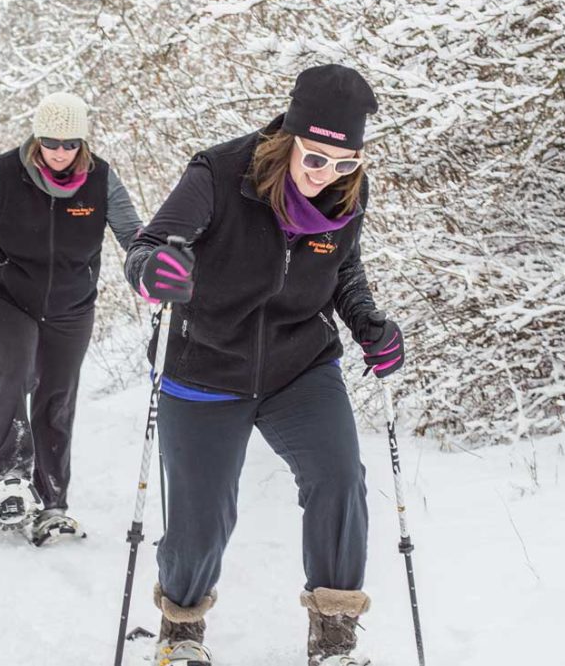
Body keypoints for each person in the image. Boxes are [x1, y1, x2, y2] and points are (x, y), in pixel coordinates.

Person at [124, 65, 404, 666]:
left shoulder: (348, 191)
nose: (326, 175)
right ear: (289, 138)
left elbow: (343, 270)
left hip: (297, 363)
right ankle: (182, 627)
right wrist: (154, 272)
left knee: (339, 477)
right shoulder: (219, 175)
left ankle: (333, 629)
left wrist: (367, 323)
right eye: (315, 158)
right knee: (202, 516)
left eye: (344, 162)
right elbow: (148, 246)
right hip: (204, 364)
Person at [0, 92, 142, 543]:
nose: (59, 152)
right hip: (6, 295)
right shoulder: (5, 173)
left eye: (69, 143)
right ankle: (10, 478)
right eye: (50, 142)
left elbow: (134, 234)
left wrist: (150, 271)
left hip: (71, 304)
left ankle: (52, 499)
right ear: (37, 138)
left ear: (82, 142)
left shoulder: (101, 180)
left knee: (57, 396)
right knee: (13, 371)